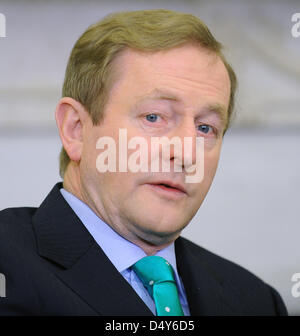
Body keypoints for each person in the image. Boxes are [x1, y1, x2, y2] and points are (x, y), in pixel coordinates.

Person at [0, 9, 287, 316]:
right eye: (154, 117)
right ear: (76, 129)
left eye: (206, 128)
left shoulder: (258, 302)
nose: (187, 154)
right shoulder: (9, 267)